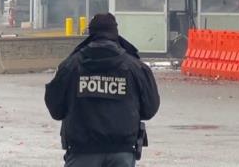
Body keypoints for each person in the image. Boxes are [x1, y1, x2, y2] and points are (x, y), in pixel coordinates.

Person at [45, 13, 160, 167]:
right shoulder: (135, 67)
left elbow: (56, 110)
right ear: (115, 33)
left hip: (81, 153)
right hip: (122, 153)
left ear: (90, 34)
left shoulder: (70, 66)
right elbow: (150, 109)